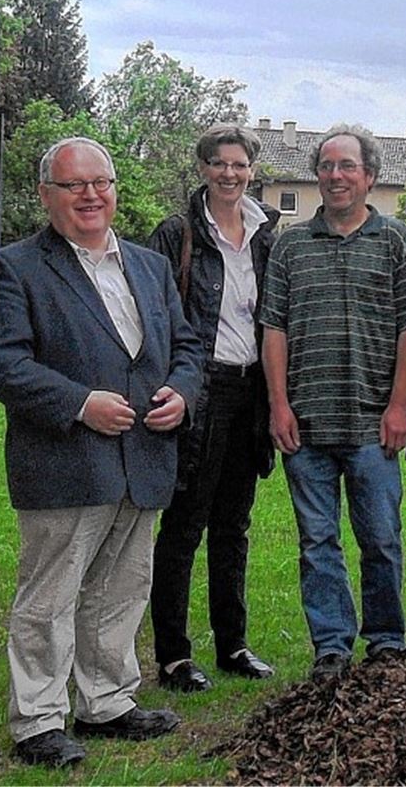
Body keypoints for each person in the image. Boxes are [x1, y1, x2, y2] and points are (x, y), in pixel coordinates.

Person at [0, 137, 201, 768]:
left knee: (122, 589)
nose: (90, 195)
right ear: (47, 195)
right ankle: (38, 720)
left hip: (144, 455)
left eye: (100, 182)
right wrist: (80, 402)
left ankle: (106, 701)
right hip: (66, 460)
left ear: (115, 190)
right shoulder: (16, 268)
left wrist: (182, 392)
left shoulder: (149, 267)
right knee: (50, 597)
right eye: (73, 185)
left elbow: (185, 344)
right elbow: (2, 363)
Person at [261, 123, 406, 681]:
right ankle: (330, 646)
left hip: (372, 422)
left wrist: (399, 405)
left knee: (381, 538)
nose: (336, 176)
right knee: (317, 542)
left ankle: (385, 640)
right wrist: (278, 405)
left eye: (348, 167)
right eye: (328, 167)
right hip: (305, 425)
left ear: (370, 177)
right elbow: (274, 330)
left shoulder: (395, 240)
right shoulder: (290, 245)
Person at [148, 124, 280, 693]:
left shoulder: (266, 233)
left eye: (240, 164)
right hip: (198, 390)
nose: (230, 174)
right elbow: (158, 319)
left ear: (253, 169)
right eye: (219, 164)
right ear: (203, 168)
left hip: (252, 390)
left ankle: (233, 645)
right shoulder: (177, 234)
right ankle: (174, 655)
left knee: (235, 525)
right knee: (183, 525)